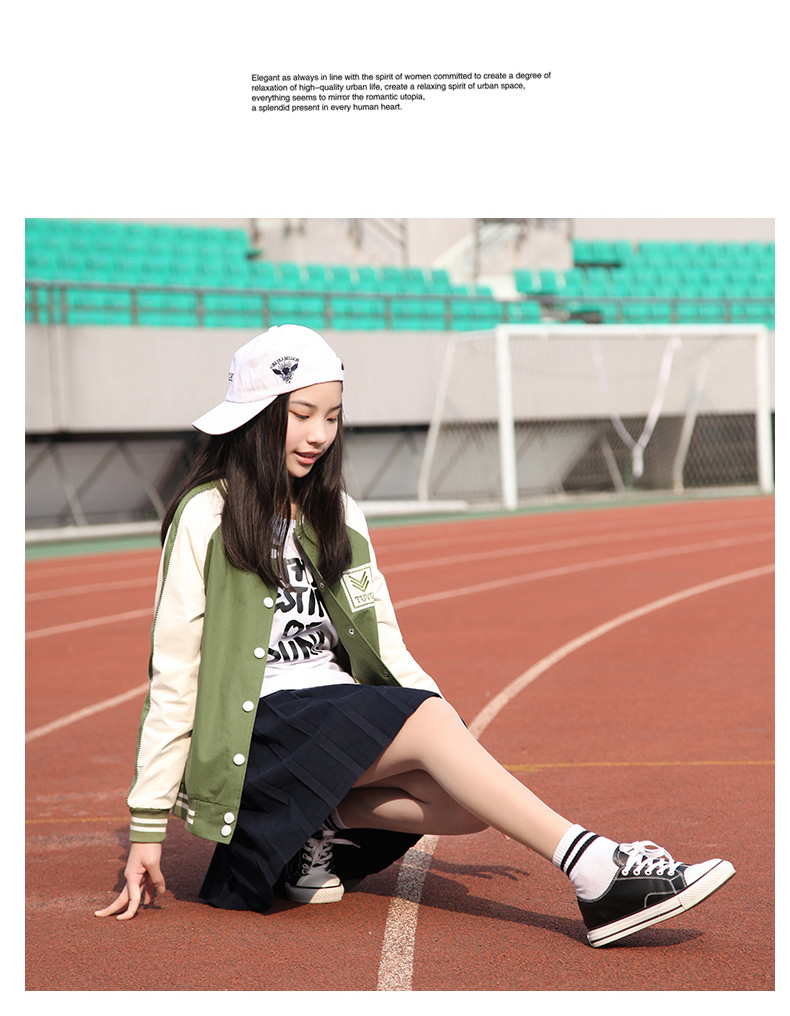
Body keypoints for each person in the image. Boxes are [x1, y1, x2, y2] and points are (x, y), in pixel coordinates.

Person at [95, 324, 735, 947]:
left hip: (329, 711)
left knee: (469, 803)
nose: (319, 434)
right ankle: (596, 871)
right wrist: (147, 826)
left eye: (332, 417)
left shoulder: (338, 513)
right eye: (301, 415)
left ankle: (313, 822)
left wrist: (443, 723)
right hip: (258, 731)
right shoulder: (206, 515)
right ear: (258, 414)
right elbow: (175, 673)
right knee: (441, 741)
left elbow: (384, 640)